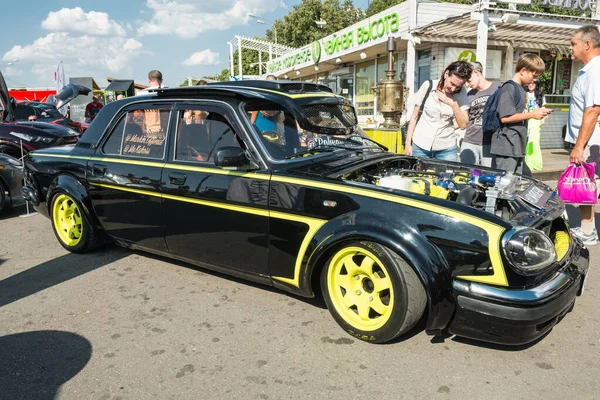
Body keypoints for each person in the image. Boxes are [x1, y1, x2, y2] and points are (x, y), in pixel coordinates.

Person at [565, 25, 600, 245]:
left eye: (573, 43)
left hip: (591, 140)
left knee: (587, 184)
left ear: (587, 45)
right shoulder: (588, 69)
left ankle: (588, 232)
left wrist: (579, 146)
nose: (570, 47)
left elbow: (594, 109)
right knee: (587, 184)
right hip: (589, 138)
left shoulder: (595, 71)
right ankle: (588, 229)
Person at [489, 54, 552, 174]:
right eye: (534, 75)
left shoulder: (520, 89)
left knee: (520, 183)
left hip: (516, 145)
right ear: (523, 71)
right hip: (507, 146)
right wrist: (532, 114)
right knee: (505, 184)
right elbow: (505, 118)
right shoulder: (509, 88)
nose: (535, 80)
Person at [404, 61, 472, 161]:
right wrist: (407, 144)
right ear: (446, 74)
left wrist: (453, 104)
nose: (453, 89)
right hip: (420, 144)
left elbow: (463, 125)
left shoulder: (461, 93)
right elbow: (414, 117)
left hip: (446, 148)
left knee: (447, 176)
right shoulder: (428, 86)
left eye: (458, 86)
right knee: (418, 176)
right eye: (452, 83)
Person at [460, 61, 501, 167]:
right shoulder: (468, 95)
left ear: (476, 73)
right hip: (470, 141)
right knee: (468, 175)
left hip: (490, 143)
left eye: (469, 80)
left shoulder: (499, 88)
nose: (467, 84)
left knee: (488, 177)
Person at [523, 80, 546, 171]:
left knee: (533, 143)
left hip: (536, 122)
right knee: (526, 142)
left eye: (533, 83)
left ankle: (533, 163)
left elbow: (543, 108)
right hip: (526, 119)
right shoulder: (524, 94)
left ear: (536, 85)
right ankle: (527, 162)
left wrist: (543, 119)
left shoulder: (540, 95)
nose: (530, 85)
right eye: (529, 83)